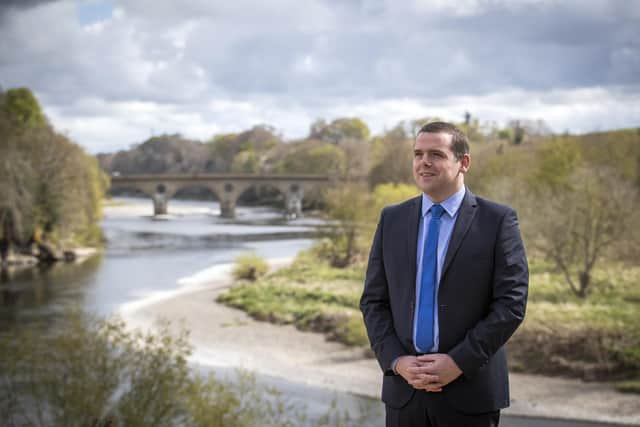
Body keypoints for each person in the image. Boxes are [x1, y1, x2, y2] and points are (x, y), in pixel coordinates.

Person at [360, 121, 528, 426]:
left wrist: (458, 362)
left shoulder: (497, 220)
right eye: (418, 154)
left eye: (435, 154)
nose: (424, 162)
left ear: (464, 162)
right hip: (404, 392)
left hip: (469, 391)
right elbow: (373, 302)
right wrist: (397, 361)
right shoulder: (392, 219)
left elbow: (512, 303)